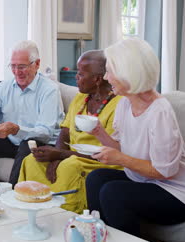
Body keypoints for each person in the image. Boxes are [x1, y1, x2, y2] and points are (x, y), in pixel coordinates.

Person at [86, 38, 185, 237]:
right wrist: (99, 132)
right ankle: (99, 239)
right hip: (146, 182)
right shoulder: (124, 103)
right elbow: (120, 147)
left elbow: (165, 171)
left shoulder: (160, 111)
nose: (106, 77)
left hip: (178, 193)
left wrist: (122, 160)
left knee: (113, 193)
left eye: (110, 71)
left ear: (129, 72)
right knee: (95, 178)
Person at [18, 50, 123, 214]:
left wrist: (60, 156)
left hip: (99, 161)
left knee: (69, 166)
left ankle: (64, 216)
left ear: (96, 79)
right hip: (69, 155)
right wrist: (55, 157)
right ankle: (31, 211)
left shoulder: (118, 105)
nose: (76, 77)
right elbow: (65, 132)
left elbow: (108, 152)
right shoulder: (81, 98)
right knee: (33, 159)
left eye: (80, 74)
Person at [0, 40, 65, 185]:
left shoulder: (49, 90)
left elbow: (45, 132)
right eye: (13, 66)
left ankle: (12, 193)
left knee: (27, 144)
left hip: (41, 143)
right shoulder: (3, 88)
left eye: (22, 66)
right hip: (11, 141)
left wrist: (16, 130)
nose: (17, 72)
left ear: (37, 64)